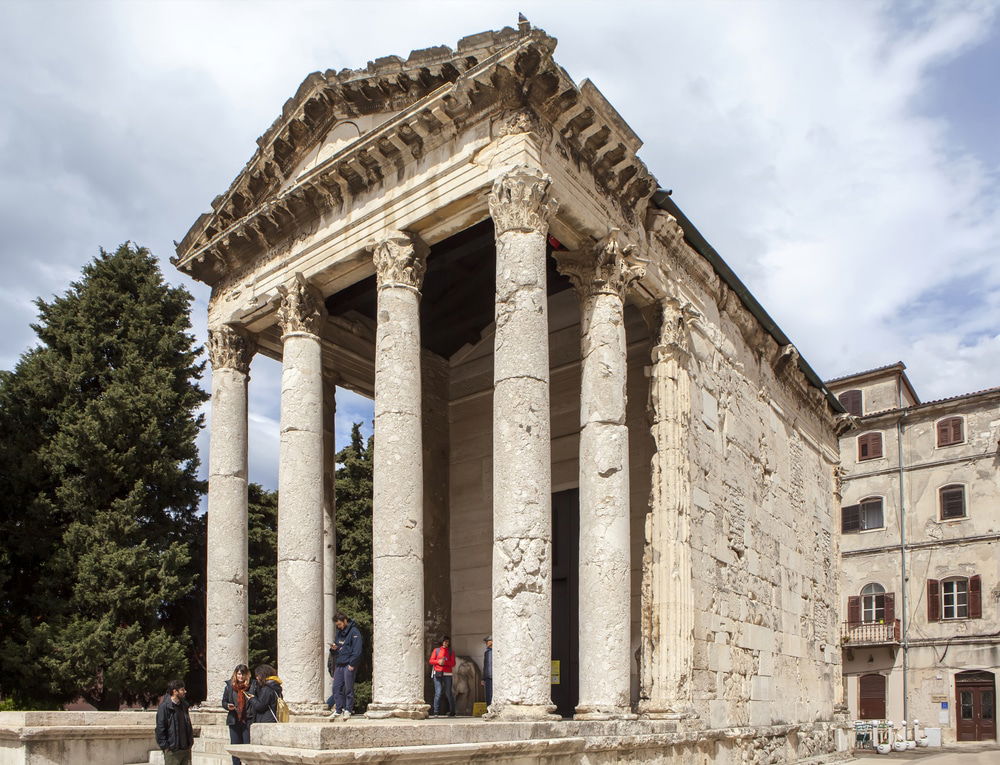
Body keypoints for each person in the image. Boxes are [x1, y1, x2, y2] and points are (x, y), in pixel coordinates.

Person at [327, 611, 363, 721]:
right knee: (336, 688)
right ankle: (338, 709)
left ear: (345, 621)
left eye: (339, 624)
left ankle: (348, 709)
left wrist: (352, 664)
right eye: (337, 625)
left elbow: (357, 650)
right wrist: (333, 649)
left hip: (349, 664)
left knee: (348, 688)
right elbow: (338, 647)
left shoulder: (354, 632)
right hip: (339, 664)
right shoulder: (339, 633)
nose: (338, 627)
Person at [155, 679, 194, 765]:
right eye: (182, 690)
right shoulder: (164, 707)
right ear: (175, 691)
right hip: (172, 751)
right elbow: (160, 729)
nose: (185, 691)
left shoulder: (184, 705)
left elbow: (188, 724)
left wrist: (190, 742)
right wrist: (166, 747)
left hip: (185, 749)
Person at [221, 664, 251, 765]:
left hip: (247, 720)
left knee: (247, 747)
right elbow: (224, 701)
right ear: (235, 674)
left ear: (247, 675)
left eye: (243, 674)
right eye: (239, 674)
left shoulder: (251, 686)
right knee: (235, 747)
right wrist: (227, 705)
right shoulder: (229, 686)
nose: (241, 677)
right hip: (234, 719)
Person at [428, 634, 457, 717]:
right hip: (437, 673)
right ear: (442, 642)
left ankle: (452, 711)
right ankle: (436, 711)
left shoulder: (451, 651)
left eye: (447, 641)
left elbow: (453, 663)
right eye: (444, 641)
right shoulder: (436, 650)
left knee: (448, 693)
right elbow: (431, 661)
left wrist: (445, 662)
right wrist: (438, 662)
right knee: (438, 692)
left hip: (448, 674)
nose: (446, 643)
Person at [481, 636, 493, 705]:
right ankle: (488, 709)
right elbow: (485, 665)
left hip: (494, 676)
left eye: (487, 641)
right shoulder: (486, 652)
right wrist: (483, 678)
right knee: (488, 695)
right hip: (488, 677)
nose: (486, 643)